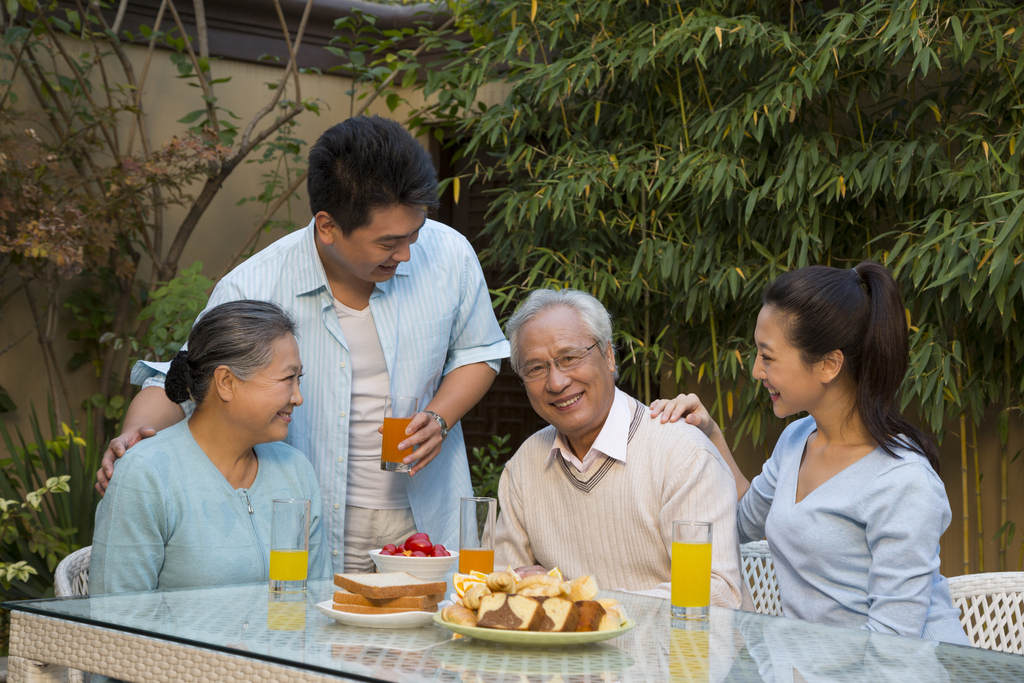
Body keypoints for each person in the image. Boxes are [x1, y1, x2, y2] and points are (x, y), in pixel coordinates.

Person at [96, 116, 510, 573]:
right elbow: (184, 377)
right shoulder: (255, 284)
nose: (407, 253)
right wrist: (132, 443)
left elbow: (480, 352)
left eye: (415, 234)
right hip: (307, 518)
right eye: (389, 242)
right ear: (327, 225)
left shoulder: (449, 254)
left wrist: (439, 416)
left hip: (427, 518)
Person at [651, 262, 969, 644]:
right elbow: (741, 521)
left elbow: (891, 643)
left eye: (767, 357)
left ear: (828, 364)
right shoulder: (797, 439)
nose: (755, 371)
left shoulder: (904, 482)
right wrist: (710, 434)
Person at [493, 288, 747, 607]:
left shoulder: (682, 452)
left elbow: (717, 594)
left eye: (569, 358)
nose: (556, 382)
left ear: (609, 356)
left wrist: (578, 598)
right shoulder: (524, 465)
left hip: (681, 654)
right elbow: (505, 590)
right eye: (535, 368)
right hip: (565, 655)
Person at [91, 301, 332, 593]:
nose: (298, 397)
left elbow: (315, 600)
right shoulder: (146, 476)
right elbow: (117, 620)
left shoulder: (295, 471)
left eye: (299, 380)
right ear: (227, 382)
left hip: (285, 638)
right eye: (286, 379)